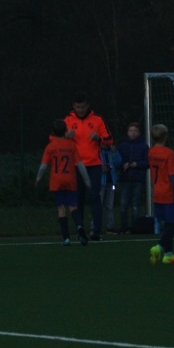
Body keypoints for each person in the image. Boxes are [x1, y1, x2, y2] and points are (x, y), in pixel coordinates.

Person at [64, 92, 113, 240]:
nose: (80, 110)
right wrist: (66, 137)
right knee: (78, 198)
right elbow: (55, 140)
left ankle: (96, 231)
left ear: (87, 106)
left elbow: (109, 139)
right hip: (76, 165)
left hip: (94, 165)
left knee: (94, 197)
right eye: (77, 107)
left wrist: (99, 138)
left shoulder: (97, 120)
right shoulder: (67, 121)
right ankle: (80, 230)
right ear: (74, 106)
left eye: (83, 107)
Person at [36, 119, 92, 245]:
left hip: (56, 181)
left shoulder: (50, 147)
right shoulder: (71, 145)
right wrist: (87, 180)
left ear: (52, 132)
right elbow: (80, 164)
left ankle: (66, 238)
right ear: (66, 130)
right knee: (73, 206)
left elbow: (44, 166)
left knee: (61, 208)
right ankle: (79, 226)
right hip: (70, 179)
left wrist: (38, 178)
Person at [147, 124, 174, 265]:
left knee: (168, 223)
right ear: (166, 136)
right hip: (168, 192)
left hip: (157, 192)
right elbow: (172, 174)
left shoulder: (151, 152)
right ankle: (159, 247)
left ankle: (168, 254)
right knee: (173, 223)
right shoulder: (168, 153)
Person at [117, 122, 149, 233]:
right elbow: (117, 161)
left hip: (137, 178)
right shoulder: (122, 146)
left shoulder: (144, 146)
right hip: (125, 178)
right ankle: (124, 226)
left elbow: (147, 162)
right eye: (131, 131)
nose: (133, 133)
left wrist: (137, 164)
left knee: (135, 204)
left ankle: (135, 227)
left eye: (135, 131)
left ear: (139, 133)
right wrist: (123, 165)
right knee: (123, 204)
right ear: (127, 132)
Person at [100, 144, 123, 234]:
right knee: (98, 204)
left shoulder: (111, 152)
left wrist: (115, 152)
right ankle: (95, 226)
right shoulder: (97, 152)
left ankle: (110, 226)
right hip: (101, 182)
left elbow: (118, 163)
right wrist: (101, 168)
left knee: (109, 205)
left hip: (111, 182)